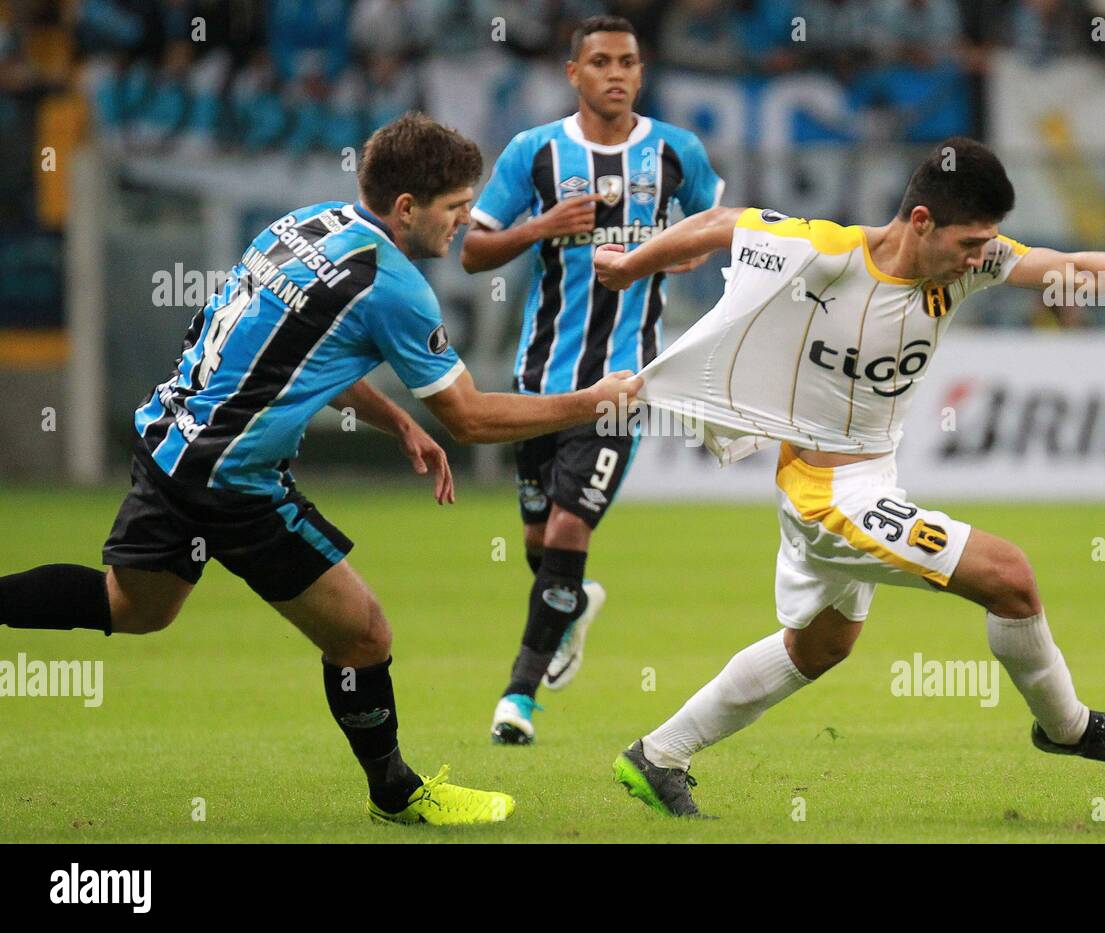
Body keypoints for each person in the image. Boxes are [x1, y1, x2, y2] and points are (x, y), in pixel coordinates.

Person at [0, 112, 641, 827]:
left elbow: (297, 348)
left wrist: (395, 418)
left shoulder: (303, 226)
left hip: (171, 441)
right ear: (407, 209)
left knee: (134, 606)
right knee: (364, 633)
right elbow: (469, 417)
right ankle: (398, 794)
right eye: (456, 207)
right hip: (230, 479)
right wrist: (588, 401)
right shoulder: (392, 283)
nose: (464, 222)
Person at [593, 137, 1105, 817]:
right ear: (922, 222)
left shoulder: (965, 267)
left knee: (820, 647)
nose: (982, 256)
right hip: (827, 493)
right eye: (971, 242)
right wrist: (628, 266)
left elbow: (1063, 266)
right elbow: (718, 224)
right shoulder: (825, 253)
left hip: (870, 481)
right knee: (1010, 576)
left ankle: (657, 754)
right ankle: (1069, 728)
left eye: (989, 243)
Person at [460, 15, 724, 744]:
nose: (617, 73)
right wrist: (542, 227)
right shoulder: (533, 152)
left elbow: (717, 224)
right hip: (539, 381)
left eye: (629, 62)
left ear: (642, 72)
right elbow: (474, 252)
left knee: (573, 524)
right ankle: (570, 604)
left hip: (620, 384)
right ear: (573, 73)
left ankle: (518, 698)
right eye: (601, 61)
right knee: (540, 545)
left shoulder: (677, 151)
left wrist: (682, 251)